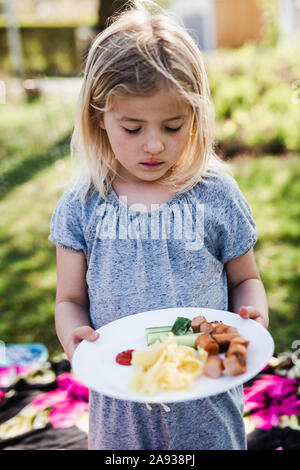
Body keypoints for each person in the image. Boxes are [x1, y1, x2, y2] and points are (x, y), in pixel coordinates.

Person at [48, 0, 269, 450]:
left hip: (207, 411)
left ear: (195, 115)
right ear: (100, 118)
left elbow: (245, 279)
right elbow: (70, 299)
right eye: (132, 128)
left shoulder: (216, 196)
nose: (154, 145)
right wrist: (74, 338)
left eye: (173, 126)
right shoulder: (81, 206)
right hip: (120, 416)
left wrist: (252, 317)